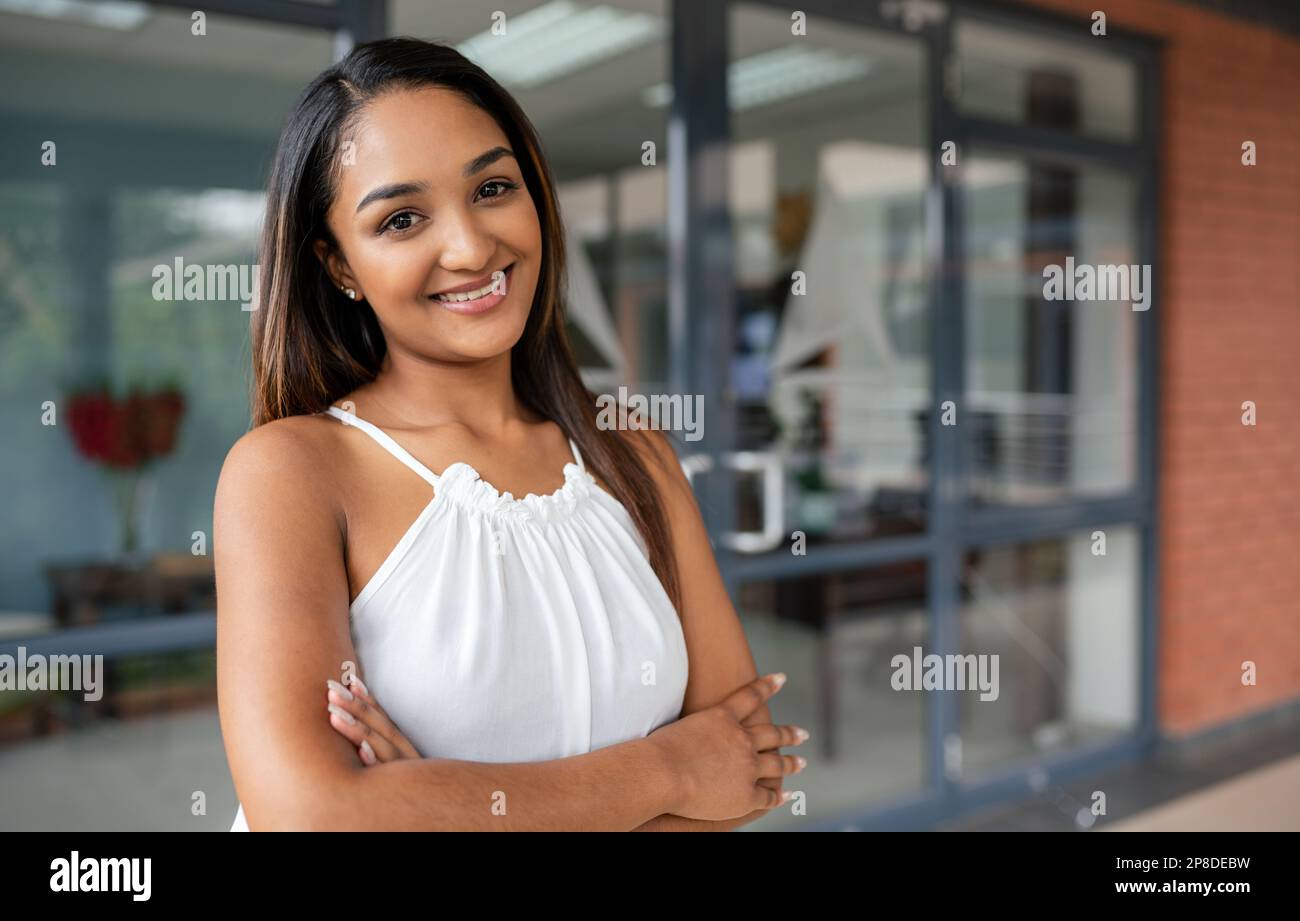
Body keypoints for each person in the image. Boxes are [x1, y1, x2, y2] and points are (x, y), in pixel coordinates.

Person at [215, 36, 808, 831]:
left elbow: (743, 769)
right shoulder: (291, 473)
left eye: (493, 187)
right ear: (338, 264)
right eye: (401, 218)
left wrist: (433, 803)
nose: (469, 246)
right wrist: (668, 769)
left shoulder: (632, 452)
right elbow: (313, 816)